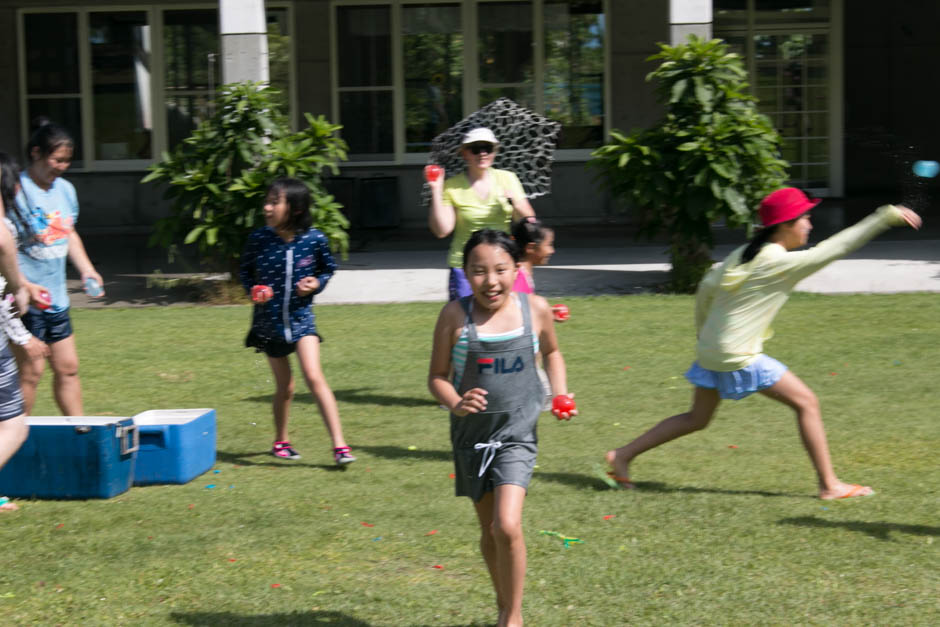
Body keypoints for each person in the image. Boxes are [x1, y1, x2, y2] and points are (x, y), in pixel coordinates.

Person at [605, 188, 922, 500]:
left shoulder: (744, 254)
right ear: (786, 225)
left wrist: (704, 336)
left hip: (711, 352)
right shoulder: (776, 263)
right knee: (807, 403)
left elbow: (706, 288)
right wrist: (885, 217)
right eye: (805, 218)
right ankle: (830, 485)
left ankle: (622, 455)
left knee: (696, 419)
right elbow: (834, 248)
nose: (809, 224)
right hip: (736, 355)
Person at [428, 229, 574, 627]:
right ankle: (503, 602)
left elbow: (553, 352)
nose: (490, 281)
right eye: (478, 271)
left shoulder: (536, 309)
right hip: (471, 437)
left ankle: (513, 617)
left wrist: (559, 393)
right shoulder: (455, 316)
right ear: (466, 273)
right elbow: (437, 376)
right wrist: (457, 403)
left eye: (500, 270)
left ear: (516, 268)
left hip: (517, 433)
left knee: (507, 525)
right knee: (489, 529)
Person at [238, 178, 355, 465]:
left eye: (274, 202)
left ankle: (340, 446)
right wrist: (254, 291)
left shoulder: (314, 240)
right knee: (286, 386)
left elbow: (328, 269)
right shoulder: (259, 239)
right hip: (269, 325)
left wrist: (317, 283)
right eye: (267, 201)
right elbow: (245, 273)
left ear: (296, 209)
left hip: (302, 321)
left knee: (314, 376)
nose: (267, 207)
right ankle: (281, 441)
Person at [11, 119, 104, 416]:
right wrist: (22, 285)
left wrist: (87, 269)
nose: (62, 166)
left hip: (57, 300)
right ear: (36, 153)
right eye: (57, 159)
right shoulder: (15, 191)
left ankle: (79, 431)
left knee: (68, 368)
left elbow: (69, 233)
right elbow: (5, 248)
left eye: (67, 161)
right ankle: (14, 438)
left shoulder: (65, 190)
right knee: (31, 372)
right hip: (25, 302)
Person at [427, 127, 536, 301]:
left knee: (517, 318)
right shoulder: (452, 186)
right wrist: (436, 189)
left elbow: (530, 221)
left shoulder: (508, 179)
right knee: (466, 323)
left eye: (488, 148)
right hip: (467, 267)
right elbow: (442, 230)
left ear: (494, 151)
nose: (482, 153)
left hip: (504, 264)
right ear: (464, 154)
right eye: (476, 148)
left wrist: (514, 202)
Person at [0, 165, 42, 512]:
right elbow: (5, 297)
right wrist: (22, 334)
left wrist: (23, 285)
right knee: (14, 426)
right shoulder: (4, 228)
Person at [511, 217, 555, 294]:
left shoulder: (523, 273)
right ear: (530, 248)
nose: (552, 251)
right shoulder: (519, 277)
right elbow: (517, 304)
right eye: (549, 245)